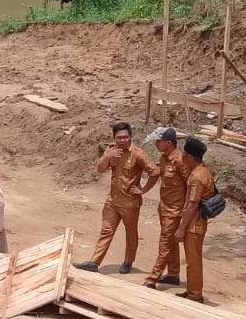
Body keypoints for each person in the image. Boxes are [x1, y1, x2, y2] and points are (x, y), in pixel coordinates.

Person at [75, 121, 156, 274]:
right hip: (112, 201)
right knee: (106, 231)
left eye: (125, 137)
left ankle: (128, 261)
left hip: (130, 203)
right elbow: (100, 169)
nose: (122, 140)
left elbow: (155, 172)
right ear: (114, 138)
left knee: (131, 233)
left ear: (130, 137)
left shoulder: (138, 154)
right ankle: (94, 261)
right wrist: (107, 156)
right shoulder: (111, 150)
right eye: (119, 138)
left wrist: (143, 189)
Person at [140, 127, 188, 288]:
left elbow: (191, 185)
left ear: (168, 142)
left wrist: (187, 211)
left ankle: (153, 278)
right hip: (164, 207)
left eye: (158, 141)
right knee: (171, 242)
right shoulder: (164, 158)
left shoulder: (180, 160)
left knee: (165, 243)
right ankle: (173, 274)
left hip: (175, 211)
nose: (156, 144)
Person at [177, 137, 217, 303]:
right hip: (197, 222)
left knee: (193, 261)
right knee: (192, 259)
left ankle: (195, 295)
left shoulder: (197, 177)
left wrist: (181, 228)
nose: (182, 155)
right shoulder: (204, 171)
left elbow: (193, 205)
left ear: (189, 156)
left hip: (194, 224)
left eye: (184, 153)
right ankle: (191, 290)